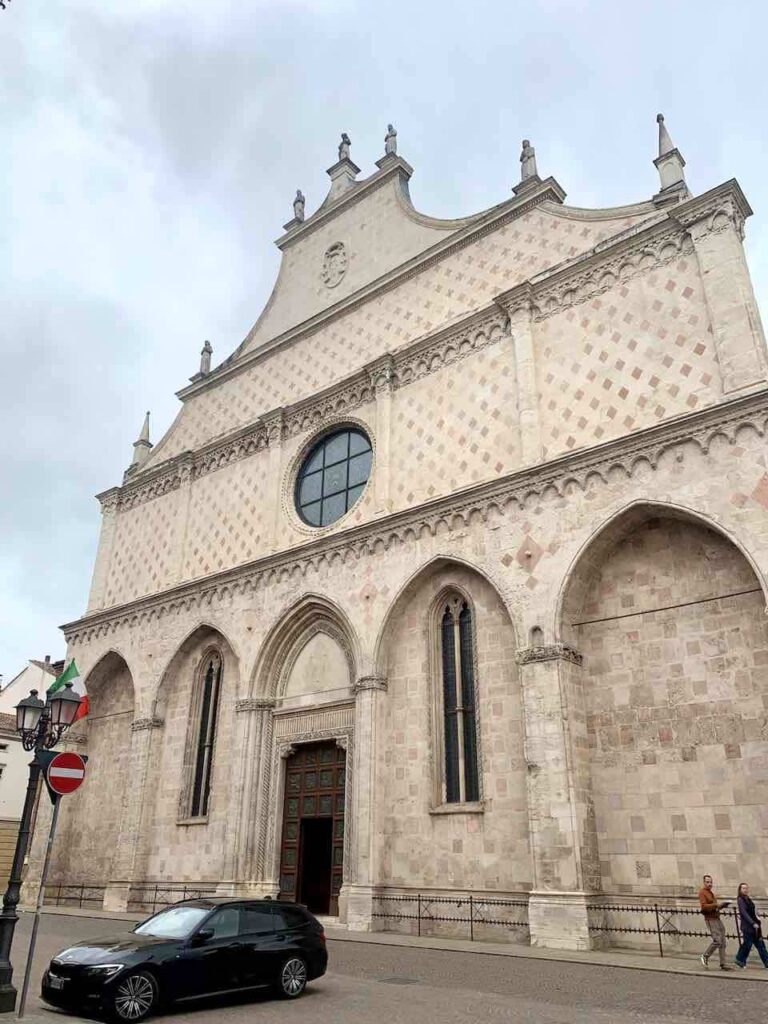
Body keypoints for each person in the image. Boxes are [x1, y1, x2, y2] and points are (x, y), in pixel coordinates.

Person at [699, 874, 732, 970]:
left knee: (722, 940)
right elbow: (703, 906)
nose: (710, 884)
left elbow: (714, 907)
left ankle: (723, 963)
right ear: (704, 882)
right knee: (717, 940)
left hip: (717, 918)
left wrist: (722, 906)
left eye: (711, 882)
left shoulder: (711, 893)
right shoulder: (702, 892)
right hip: (710, 919)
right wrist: (716, 905)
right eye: (707, 882)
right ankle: (705, 956)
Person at [735, 882, 768, 969]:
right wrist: (752, 923)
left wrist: (757, 918)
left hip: (756, 928)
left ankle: (767, 962)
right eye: (743, 888)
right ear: (740, 890)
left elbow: (753, 911)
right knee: (747, 945)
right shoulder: (740, 900)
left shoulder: (748, 899)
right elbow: (744, 913)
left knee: (761, 945)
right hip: (747, 927)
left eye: (746, 888)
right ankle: (740, 960)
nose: (745, 890)